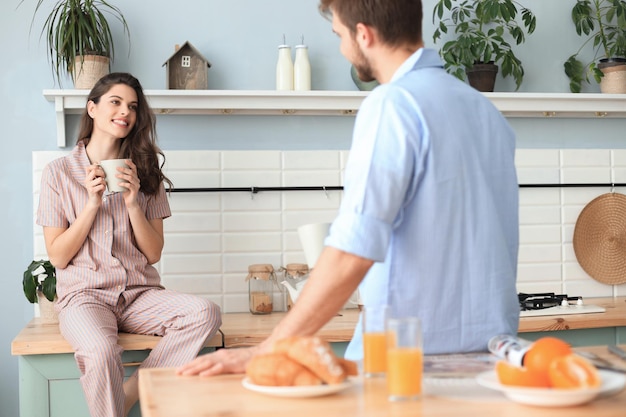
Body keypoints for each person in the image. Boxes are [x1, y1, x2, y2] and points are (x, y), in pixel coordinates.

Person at [178, 0, 518, 377]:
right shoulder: (485, 111)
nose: (341, 49)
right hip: (494, 363)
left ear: (363, 34)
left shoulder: (393, 104)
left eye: (340, 35)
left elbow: (352, 250)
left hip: (404, 368)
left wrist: (269, 349)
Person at [37, 72, 222, 417]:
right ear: (92, 108)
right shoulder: (58, 173)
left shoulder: (145, 173)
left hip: (138, 295)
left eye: (133, 107)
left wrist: (133, 201)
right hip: (85, 296)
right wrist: (91, 204)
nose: (126, 112)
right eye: (116, 102)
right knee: (99, 350)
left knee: (204, 312)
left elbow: (153, 253)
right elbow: (58, 256)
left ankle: (129, 396)